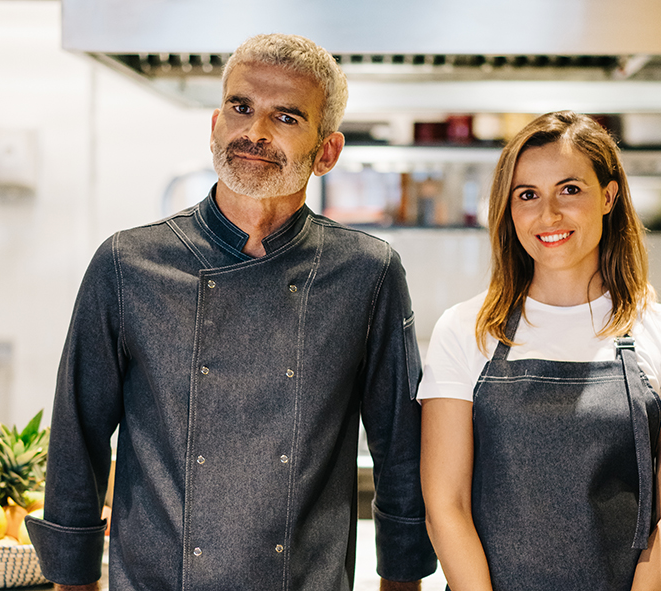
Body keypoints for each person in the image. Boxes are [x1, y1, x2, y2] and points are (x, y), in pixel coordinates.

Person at [27, 33, 436, 591]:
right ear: (215, 123)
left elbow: (400, 451)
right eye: (241, 108)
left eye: (286, 117)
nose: (255, 132)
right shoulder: (128, 264)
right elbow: (80, 435)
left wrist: (404, 579)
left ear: (327, 152)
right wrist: (72, 580)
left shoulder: (368, 273)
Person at [418, 111, 661, 591]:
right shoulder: (465, 330)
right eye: (527, 195)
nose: (549, 215)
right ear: (508, 209)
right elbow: (445, 505)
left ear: (609, 195)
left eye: (570, 189)